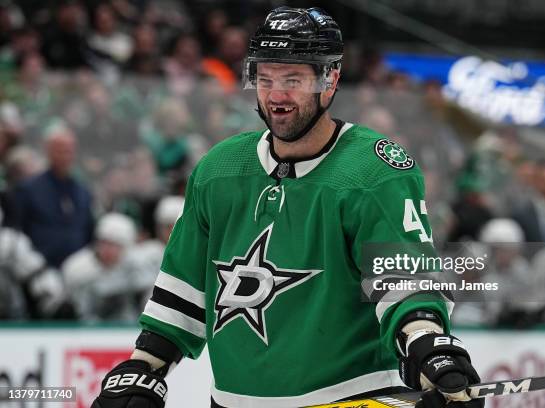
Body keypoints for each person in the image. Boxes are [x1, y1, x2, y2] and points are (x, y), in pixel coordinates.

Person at [92, 7, 483, 408]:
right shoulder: (219, 169)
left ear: (330, 80)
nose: (276, 95)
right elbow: (185, 287)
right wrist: (145, 366)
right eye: (265, 78)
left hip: (352, 398)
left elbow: (403, 281)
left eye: (293, 79)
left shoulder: (374, 171)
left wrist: (429, 348)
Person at [9, 124, 94, 267]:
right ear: (48, 151)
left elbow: (88, 231)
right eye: (59, 151)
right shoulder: (28, 190)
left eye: (68, 151)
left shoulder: (83, 192)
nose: (65, 157)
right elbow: (17, 233)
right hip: (38, 271)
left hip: (76, 271)